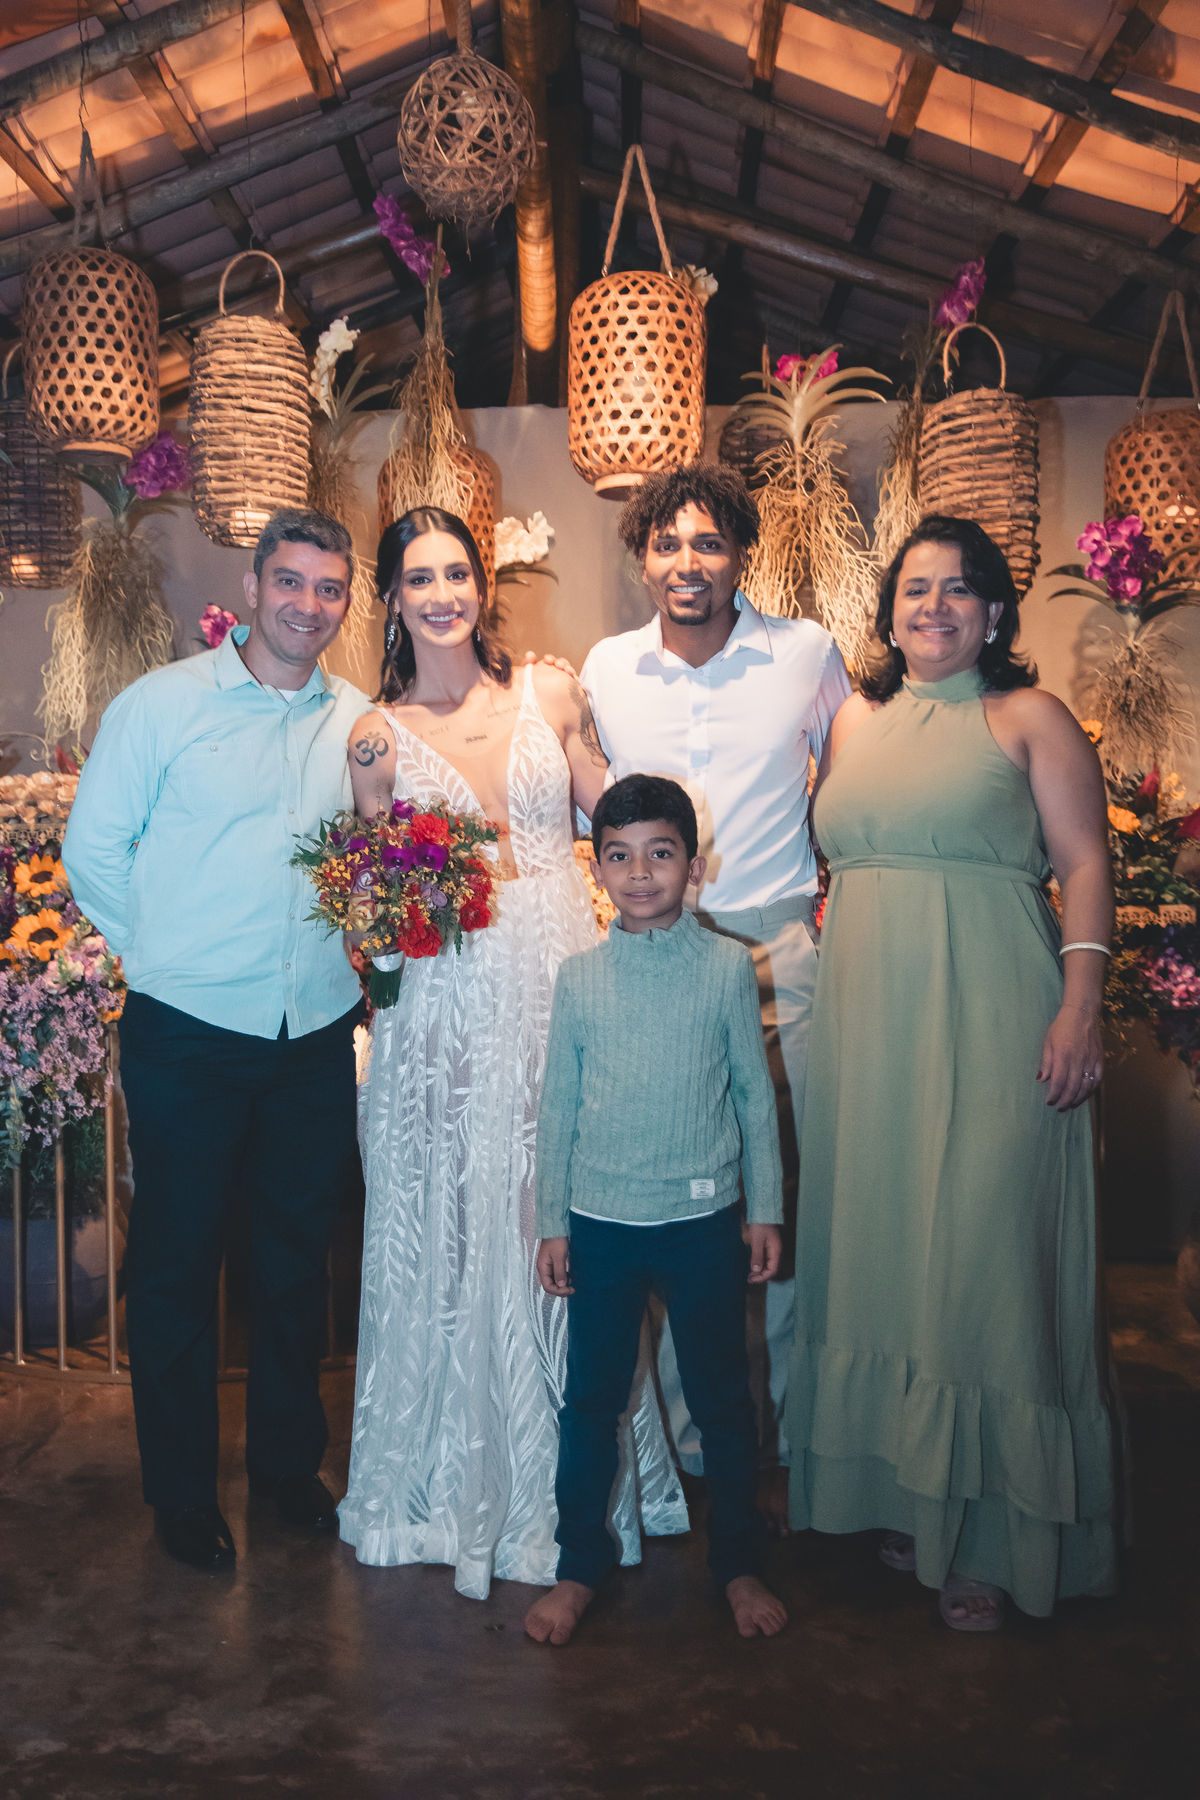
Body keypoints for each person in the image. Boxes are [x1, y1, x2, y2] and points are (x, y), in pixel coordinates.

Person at [337, 507, 687, 1598]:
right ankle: (443, 1485)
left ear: (483, 584)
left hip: (557, 979)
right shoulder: (375, 736)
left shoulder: (550, 690)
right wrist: (386, 915)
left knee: (558, 1212)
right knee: (452, 1218)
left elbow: (618, 818)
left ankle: (570, 1489)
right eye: (419, 578)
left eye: (458, 572)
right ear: (392, 598)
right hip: (443, 1002)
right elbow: (365, 908)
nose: (442, 594)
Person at [787, 515, 1122, 1631]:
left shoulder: (1028, 717)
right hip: (868, 1026)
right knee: (888, 1257)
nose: (934, 606)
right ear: (888, 614)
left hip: (994, 1011)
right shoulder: (854, 722)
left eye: (958, 588)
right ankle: (907, 1497)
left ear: (994, 612)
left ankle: (992, 1536)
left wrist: (1080, 1006)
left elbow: (1085, 862)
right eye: (915, 589)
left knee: (983, 1264)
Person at [62, 508, 369, 1570]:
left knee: (293, 1267)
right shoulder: (162, 705)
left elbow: (378, 854)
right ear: (251, 588)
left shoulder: (358, 722)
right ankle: (184, 1495)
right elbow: (94, 849)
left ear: (345, 602)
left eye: (328, 588)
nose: (307, 605)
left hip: (314, 1031)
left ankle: (287, 1469)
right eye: (290, 582)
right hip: (188, 1033)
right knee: (179, 1266)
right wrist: (167, 955)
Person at [580, 465, 851, 1518]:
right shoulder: (608, 670)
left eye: (709, 543)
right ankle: (696, 1447)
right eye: (667, 543)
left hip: (780, 956)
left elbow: (850, 788)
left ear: (741, 554)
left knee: (790, 1192)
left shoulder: (807, 654)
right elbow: (592, 806)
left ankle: (792, 1431)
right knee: (682, 1198)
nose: (687, 563)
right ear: (642, 556)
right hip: (663, 961)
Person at [525, 774, 788, 1646]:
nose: (640, 873)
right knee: (590, 1403)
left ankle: (738, 1563)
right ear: (598, 868)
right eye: (620, 856)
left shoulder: (725, 968)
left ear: (694, 866)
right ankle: (578, 1565)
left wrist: (764, 1209)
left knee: (722, 1400)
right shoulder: (580, 979)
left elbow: (752, 1097)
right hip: (601, 1223)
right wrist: (553, 1221)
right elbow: (557, 1107)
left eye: (660, 853)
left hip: (704, 1223)